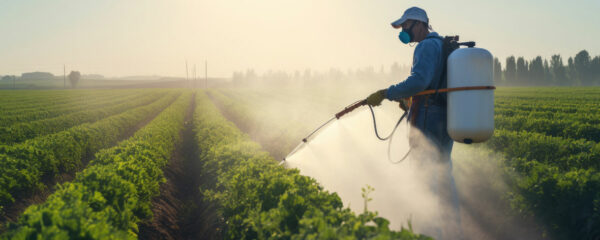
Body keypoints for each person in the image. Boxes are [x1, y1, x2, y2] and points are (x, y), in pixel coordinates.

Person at [365, 6, 462, 239]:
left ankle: (428, 232)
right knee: (443, 171)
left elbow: (419, 81)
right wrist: (409, 102)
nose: (404, 32)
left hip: (429, 116)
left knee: (424, 174)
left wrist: (387, 92)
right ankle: (453, 229)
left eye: (405, 26)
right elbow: (433, 85)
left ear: (419, 24)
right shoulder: (441, 45)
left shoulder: (426, 45)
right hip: (444, 116)